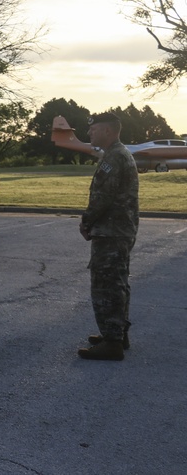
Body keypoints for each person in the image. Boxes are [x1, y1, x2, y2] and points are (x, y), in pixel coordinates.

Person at [77, 112, 139, 361]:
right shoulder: (120, 153)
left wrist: (86, 221)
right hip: (120, 230)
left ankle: (112, 343)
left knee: (106, 285)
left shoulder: (113, 157)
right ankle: (117, 333)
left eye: (94, 129)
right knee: (119, 281)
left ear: (108, 131)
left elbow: (103, 197)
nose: (89, 133)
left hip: (112, 231)